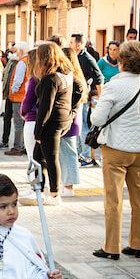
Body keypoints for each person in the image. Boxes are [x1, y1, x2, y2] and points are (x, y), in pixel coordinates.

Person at [91, 41, 140, 260]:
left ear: (121, 61)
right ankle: (137, 244)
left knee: (113, 200)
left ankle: (111, 247)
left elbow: (97, 119)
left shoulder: (114, 85)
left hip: (116, 149)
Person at [21, 42, 74, 206]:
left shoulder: (50, 79)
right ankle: (39, 189)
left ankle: (54, 194)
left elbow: (45, 108)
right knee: (38, 158)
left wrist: (38, 133)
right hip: (61, 120)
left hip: (50, 123)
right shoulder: (65, 74)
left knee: (50, 158)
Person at [70, 34, 104, 166]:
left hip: (83, 98)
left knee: (83, 125)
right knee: (78, 126)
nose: (70, 44)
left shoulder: (87, 58)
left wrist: (99, 97)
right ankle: (80, 154)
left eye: (72, 42)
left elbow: (99, 77)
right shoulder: (76, 57)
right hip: (76, 97)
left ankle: (86, 156)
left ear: (78, 44)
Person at [59, 47, 88, 197]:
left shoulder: (71, 78)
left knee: (68, 152)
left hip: (68, 119)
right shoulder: (77, 76)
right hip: (74, 120)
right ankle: (66, 184)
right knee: (67, 152)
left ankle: (69, 186)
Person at [5, 42, 30, 156]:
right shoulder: (29, 61)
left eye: (17, 50)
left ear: (21, 51)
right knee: (24, 123)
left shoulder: (21, 63)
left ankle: (17, 147)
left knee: (18, 123)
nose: (15, 51)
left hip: (19, 97)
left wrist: (12, 91)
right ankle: (25, 146)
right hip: (26, 96)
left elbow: (18, 81)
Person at [0, 49, 17, 150]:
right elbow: (6, 77)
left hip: (16, 96)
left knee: (18, 122)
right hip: (9, 95)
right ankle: (5, 141)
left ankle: (18, 145)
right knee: (7, 118)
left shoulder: (21, 63)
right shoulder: (11, 62)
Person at [20, 48, 38, 162]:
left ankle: (34, 178)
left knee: (32, 155)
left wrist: (23, 111)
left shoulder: (34, 79)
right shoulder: (44, 77)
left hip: (32, 118)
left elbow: (28, 99)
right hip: (39, 118)